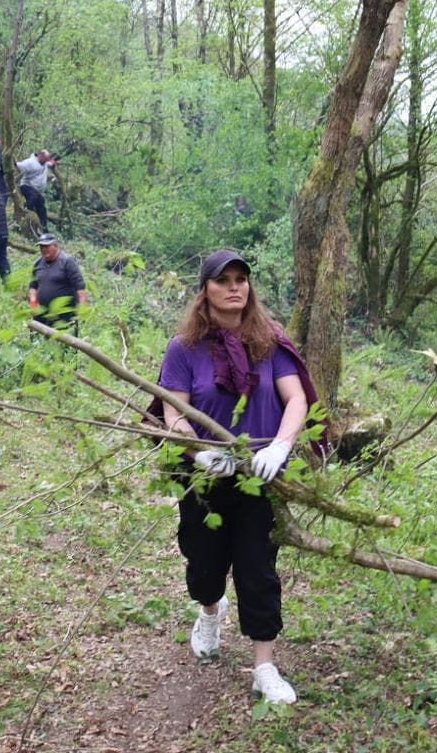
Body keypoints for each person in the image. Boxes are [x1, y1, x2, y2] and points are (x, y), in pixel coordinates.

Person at [151, 249, 322, 705]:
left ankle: (263, 665)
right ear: (205, 289)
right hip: (205, 480)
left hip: (257, 479)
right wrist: (200, 452)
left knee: (257, 569)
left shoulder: (270, 341)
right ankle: (211, 610)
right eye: (223, 279)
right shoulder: (183, 348)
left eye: (241, 279)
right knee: (203, 563)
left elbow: (296, 401)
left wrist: (282, 446)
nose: (234, 287)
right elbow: (173, 412)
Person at [28, 233, 87, 329]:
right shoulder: (38, 264)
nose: (43, 249)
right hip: (42, 314)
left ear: (55, 245)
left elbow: (80, 286)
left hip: (64, 314)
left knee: (64, 341)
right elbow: (33, 286)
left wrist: (82, 309)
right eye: (41, 247)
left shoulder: (67, 261)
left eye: (47, 246)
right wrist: (33, 302)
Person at [16, 149, 56, 232]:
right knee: (32, 196)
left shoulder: (45, 163)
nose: (46, 161)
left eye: (47, 159)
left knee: (42, 205)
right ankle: (27, 212)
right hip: (26, 186)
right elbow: (18, 165)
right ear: (40, 156)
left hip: (37, 191)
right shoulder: (30, 162)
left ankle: (44, 227)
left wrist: (53, 163)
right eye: (45, 159)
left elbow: (50, 163)